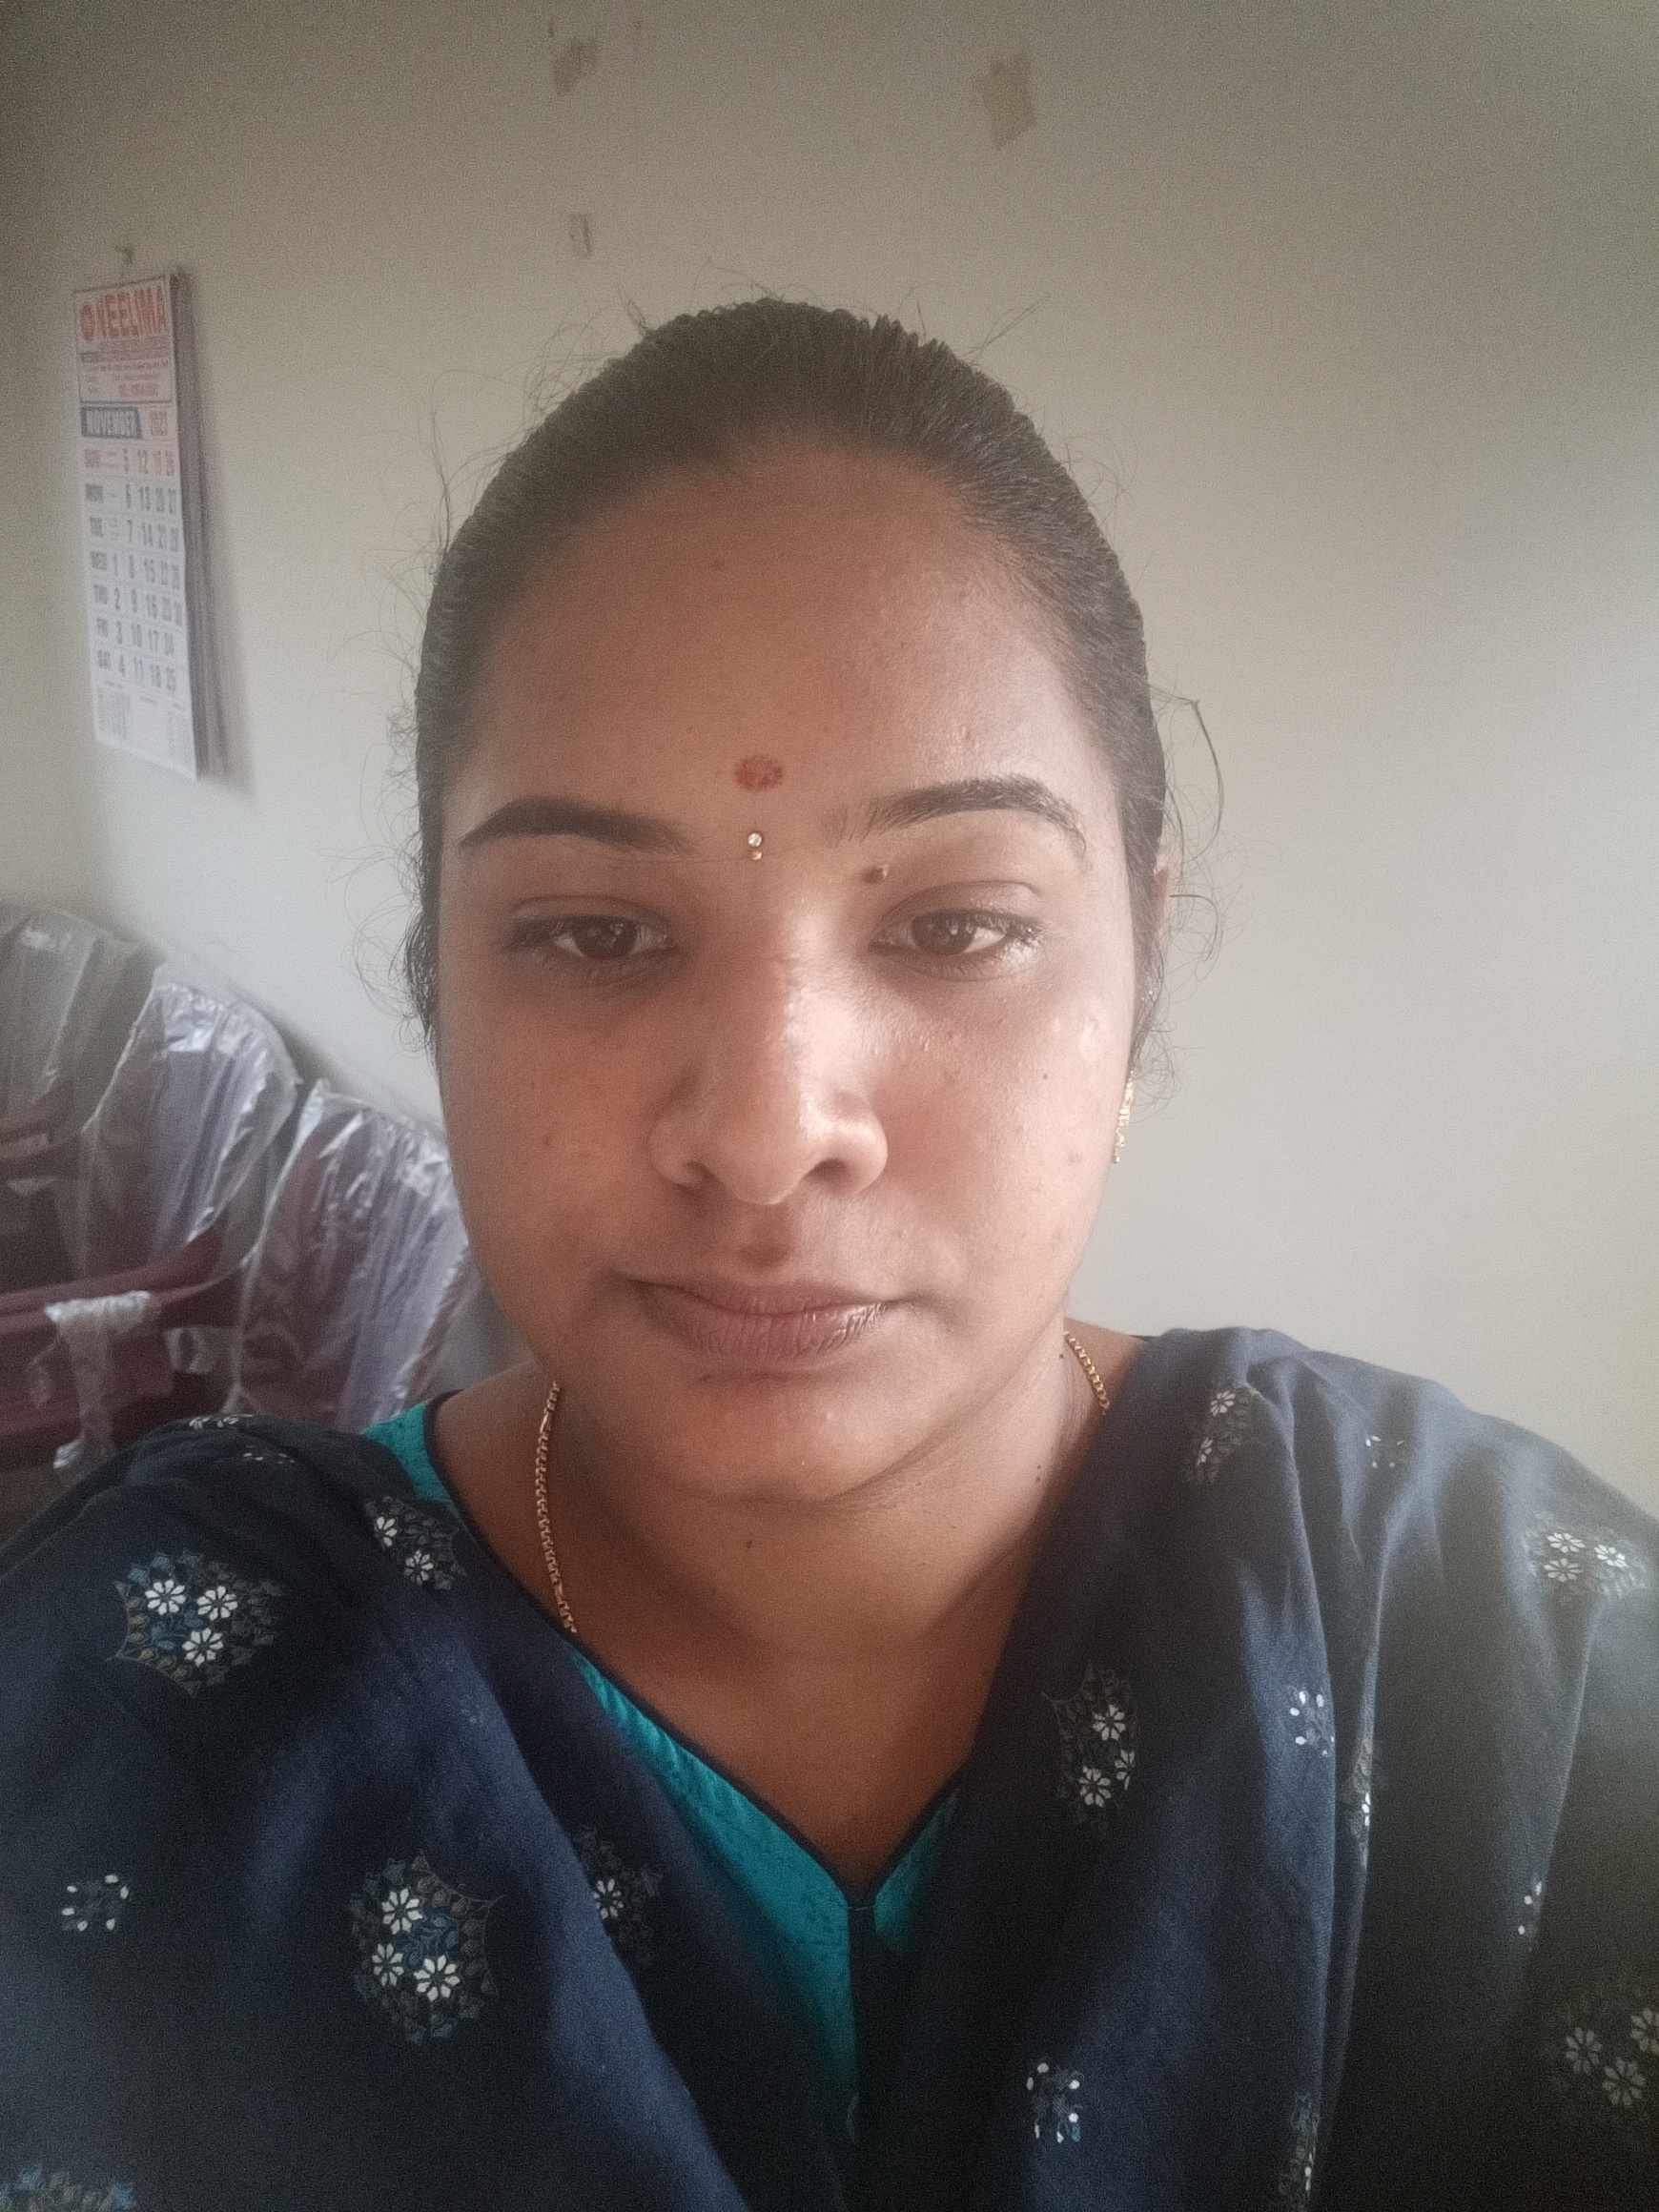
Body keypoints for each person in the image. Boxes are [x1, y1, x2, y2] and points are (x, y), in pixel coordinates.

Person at [1, 298, 1654, 2212]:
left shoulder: (1492, 1657)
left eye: (954, 925)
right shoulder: (144, 1705)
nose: (770, 1132)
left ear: (1139, 967)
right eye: (595, 933)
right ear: (434, 974)